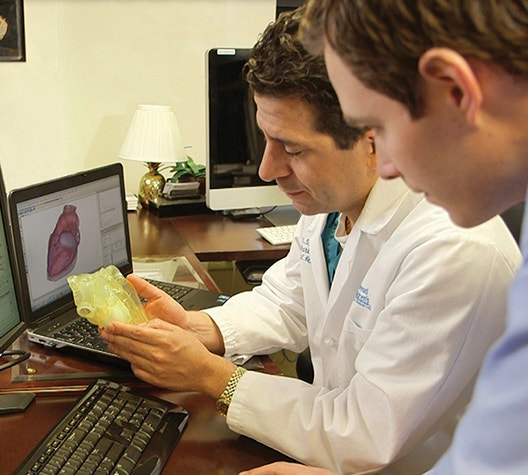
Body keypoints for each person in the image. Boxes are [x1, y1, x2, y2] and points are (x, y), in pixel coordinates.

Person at [100, 7, 521, 474]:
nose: (266, 169)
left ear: (368, 139)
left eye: (294, 149)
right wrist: (201, 330)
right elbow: (288, 300)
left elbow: (364, 434)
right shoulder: (332, 202)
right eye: (267, 139)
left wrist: (208, 374)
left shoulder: (455, 248)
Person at [248, 1, 528, 474]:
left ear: (455, 89)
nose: (389, 168)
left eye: (379, 128)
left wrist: (221, 382)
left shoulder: (460, 245)